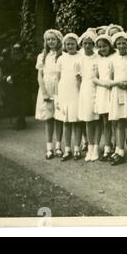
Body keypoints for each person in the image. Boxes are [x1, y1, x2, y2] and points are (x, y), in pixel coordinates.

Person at [35, 29, 64, 159]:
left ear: (58, 40)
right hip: (46, 88)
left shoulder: (63, 55)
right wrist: (44, 92)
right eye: (48, 39)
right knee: (48, 118)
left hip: (59, 88)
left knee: (59, 118)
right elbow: (40, 76)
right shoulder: (42, 56)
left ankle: (58, 146)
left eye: (53, 39)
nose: (51, 42)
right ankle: (49, 148)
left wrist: (61, 92)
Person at [55, 33, 83, 161]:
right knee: (66, 121)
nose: (70, 46)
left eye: (72, 44)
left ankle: (77, 148)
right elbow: (58, 77)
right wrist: (57, 95)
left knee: (76, 121)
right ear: (64, 45)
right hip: (64, 91)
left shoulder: (81, 56)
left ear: (76, 44)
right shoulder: (61, 58)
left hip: (76, 91)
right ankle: (67, 149)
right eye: (68, 44)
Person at [108, 32, 127, 165]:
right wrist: (118, 83)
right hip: (117, 90)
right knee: (119, 122)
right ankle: (119, 151)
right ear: (115, 45)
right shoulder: (112, 59)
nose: (122, 45)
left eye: (124, 43)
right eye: (119, 43)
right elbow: (109, 78)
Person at [77, 31, 100, 162]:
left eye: (90, 43)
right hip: (85, 89)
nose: (87, 46)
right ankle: (90, 147)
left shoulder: (97, 57)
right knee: (88, 119)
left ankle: (96, 147)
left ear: (93, 44)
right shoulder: (80, 59)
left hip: (97, 88)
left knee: (97, 119)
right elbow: (78, 79)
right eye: (85, 43)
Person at [93, 34, 116, 161]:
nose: (102, 49)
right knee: (105, 122)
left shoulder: (114, 57)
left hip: (113, 91)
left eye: (105, 46)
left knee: (116, 122)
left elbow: (115, 75)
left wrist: (111, 84)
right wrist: (104, 83)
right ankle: (107, 147)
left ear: (110, 46)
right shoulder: (98, 59)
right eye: (100, 47)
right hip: (103, 91)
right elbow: (94, 78)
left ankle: (118, 147)